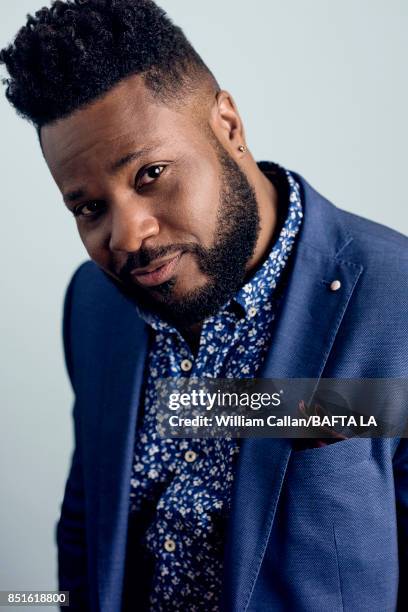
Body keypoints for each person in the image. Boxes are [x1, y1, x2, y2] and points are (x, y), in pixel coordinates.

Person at [1, 1, 407, 610]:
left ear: (229, 127)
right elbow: (88, 524)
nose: (127, 235)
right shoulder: (93, 307)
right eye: (88, 207)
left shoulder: (394, 302)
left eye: (150, 173)